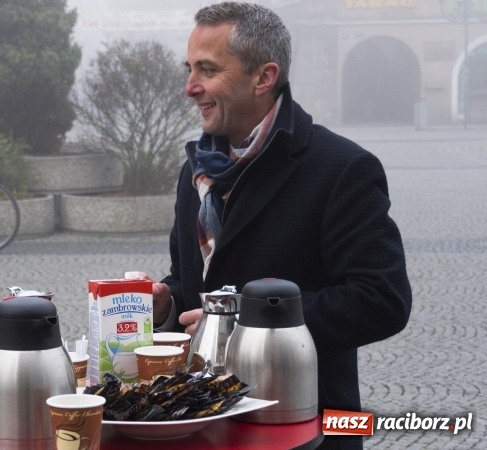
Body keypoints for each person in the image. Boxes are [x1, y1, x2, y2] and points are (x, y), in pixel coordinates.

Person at [149, 3, 412, 450]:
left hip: (305, 430)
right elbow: (193, 283)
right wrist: (166, 304)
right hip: (205, 425)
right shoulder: (196, 172)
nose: (190, 87)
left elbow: (382, 299)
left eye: (207, 70)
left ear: (264, 78)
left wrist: (246, 326)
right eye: (189, 68)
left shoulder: (341, 168)